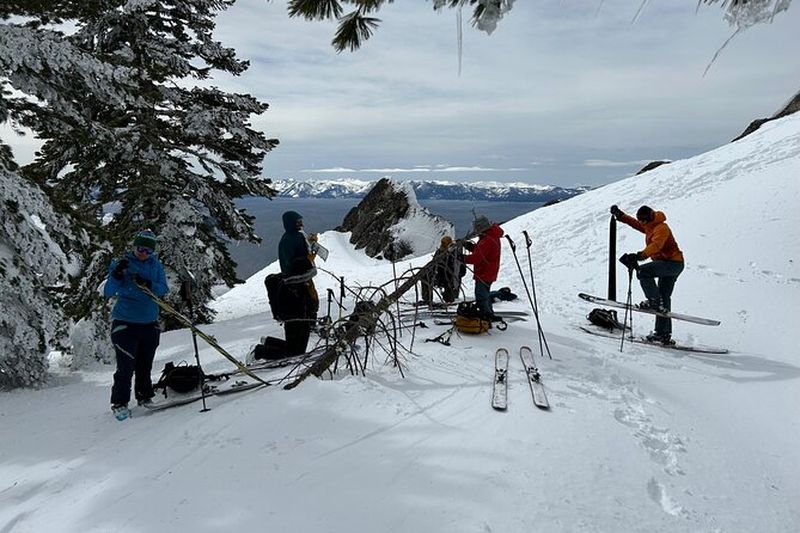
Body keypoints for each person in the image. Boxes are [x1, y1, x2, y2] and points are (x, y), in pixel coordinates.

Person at [104, 229, 169, 419]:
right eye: (141, 249)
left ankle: (144, 396)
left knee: (144, 365)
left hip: (149, 324)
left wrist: (149, 284)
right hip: (125, 324)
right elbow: (108, 291)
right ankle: (119, 402)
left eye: (148, 251)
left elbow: (163, 289)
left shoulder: (155, 265)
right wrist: (116, 275)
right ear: (134, 247)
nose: (143, 254)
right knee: (126, 367)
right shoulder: (122, 264)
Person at [611, 204, 685, 344]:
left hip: (673, 264)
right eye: (641, 220)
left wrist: (641, 256)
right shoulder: (649, 225)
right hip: (669, 264)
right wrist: (621, 216)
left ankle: (653, 301)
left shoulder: (662, 228)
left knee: (644, 271)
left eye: (644, 220)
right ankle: (662, 334)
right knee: (664, 299)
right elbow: (635, 224)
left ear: (650, 218)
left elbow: (656, 245)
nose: (642, 223)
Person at [274, 210, 319, 356]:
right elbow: (289, 266)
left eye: (301, 221)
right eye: (298, 222)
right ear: (291, 223)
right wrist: (307, 260)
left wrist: (311, 245)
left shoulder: (298, 236)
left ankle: (267, 343)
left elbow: (303, 252)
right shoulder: (287, 241)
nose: (301, 224)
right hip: (294, 286)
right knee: (296, 329)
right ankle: (260, 352)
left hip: (304, 281)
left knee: (303, 326)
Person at [462, 215, 504, 319]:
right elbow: (482, 252)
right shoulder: (491, 236)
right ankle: (488, 313)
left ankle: (486, 315)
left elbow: (476, 258)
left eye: (476, 228)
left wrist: (461, 258)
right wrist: (472, 247)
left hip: (484, 272)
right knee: (484, 294)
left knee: (481, 295)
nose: (475, 230)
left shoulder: (487, 240)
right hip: (489, 271)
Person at [420, 235, 465, 305]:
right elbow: (433, 264)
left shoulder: (455, 253)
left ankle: (449, 298)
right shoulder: (439, 252)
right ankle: (427, 299)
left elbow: (462, 270)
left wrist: (456, 276)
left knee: (449, 297)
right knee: (425, 277)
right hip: (439, 276)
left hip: (450, 277)